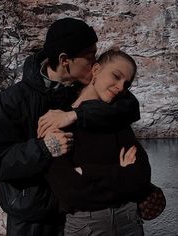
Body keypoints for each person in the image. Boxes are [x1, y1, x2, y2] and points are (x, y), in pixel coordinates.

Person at [0, 18, 142, 236]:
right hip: (35, 218)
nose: (96, 63)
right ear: (65, 59)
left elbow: (130, 107)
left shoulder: (88, 89)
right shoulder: (14, 100)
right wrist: (45, 148)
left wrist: (76, 115)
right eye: (90, 56)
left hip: (82, 213)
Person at [42, 48, 151, 235]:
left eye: (127, 84)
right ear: (96, 69)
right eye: (116, 76)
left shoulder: (117, 119)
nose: (120, 86)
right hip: (87, 226)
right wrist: (121, 173)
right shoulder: (57, 119)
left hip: (129, 220)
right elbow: (69, 191)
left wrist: (87, 172)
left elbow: (140, 178)